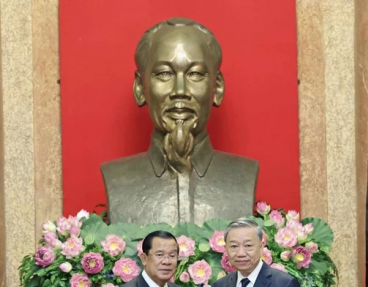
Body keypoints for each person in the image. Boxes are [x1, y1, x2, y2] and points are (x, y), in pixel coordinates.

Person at [101, 17, 258, 226]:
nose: (180, 91)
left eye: (195, 74)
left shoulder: (243, 175)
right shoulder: (117, 178)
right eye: (164, 74)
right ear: (140, 87)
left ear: (217, 88)